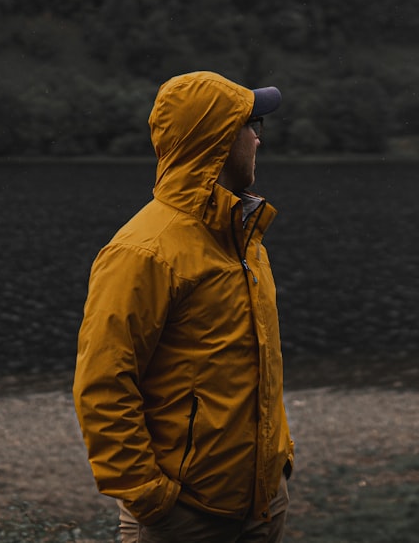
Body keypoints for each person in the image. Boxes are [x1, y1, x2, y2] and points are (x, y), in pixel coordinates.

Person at [73, 70, 294, 543]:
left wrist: (280, 458)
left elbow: (257, 365)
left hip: (261, 505)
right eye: (250, 126)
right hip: (185, 519)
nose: (258, 139)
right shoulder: (143, 251)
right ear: (218, 141)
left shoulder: (243, 235)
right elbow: (103, 386)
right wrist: (148, 496)